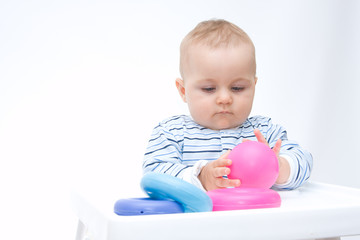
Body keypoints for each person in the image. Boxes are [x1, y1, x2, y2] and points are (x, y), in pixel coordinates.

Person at [143, 19, 313, 191]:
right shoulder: (172, 133)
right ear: (183, 90)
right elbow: (153, 175)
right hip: (198, 218)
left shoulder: (264, 131)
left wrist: (279, 166)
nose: (224, 98)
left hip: (256, 217)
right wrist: (201, 178)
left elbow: (304, 161)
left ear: (253, 86)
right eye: (209, 89)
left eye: (237, 88)